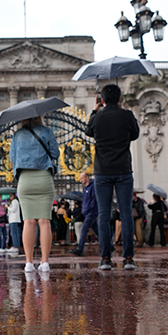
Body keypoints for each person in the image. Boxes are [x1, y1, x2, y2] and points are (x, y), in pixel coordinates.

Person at [86, 84, 140, 271]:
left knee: (103, 214)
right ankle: (128, 259)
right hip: (124, 170)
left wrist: (95, 110)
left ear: (101, 100)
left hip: (102, 171)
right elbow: (135, 135)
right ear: (120, 99)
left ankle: (106, 259)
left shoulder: (97, 117)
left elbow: (88, 131)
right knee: (125, 214)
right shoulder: (127, 115)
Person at [10, 115, 59, 273]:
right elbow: (56, 153)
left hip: (25, 179)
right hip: (44, 177)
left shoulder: (17, 135)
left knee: (28, 222)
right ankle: (45, 262)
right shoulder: (46, 131)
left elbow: (12, 157)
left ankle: (29, 263)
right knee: (44, 222)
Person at [70, 172, 98, 257]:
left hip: (91, 212)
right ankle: (110, 246)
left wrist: (89, 208)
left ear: (87, 178)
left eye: (82, 178)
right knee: (97, 231)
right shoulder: (85, 188)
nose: (81, 180)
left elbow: (93, 199)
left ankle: (80, 249)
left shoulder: (92, 186)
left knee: (84, 229)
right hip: (87, 212)